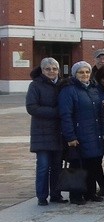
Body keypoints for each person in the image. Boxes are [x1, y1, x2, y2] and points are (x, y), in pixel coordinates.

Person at [58, 61, 104, 205]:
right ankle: (76, 195)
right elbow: (65, 114)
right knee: (77, 165)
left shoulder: (93, 89)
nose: (85, 75)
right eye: (81, 72)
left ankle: (90, 193)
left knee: (93, 164)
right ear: (75, 74)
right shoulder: (69, 90)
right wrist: (70, 136)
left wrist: (103, 131)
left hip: (94, 133)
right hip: (79, 134)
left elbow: (99, 112)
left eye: (87, 72)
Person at [26, 58, 67, 206]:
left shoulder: (63, 84)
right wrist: (56, 112)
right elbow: (31, 107)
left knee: (57, 166)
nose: (51, 71)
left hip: (58, 132)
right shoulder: (35, 85)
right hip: (41, 132)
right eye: (48, 69)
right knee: (43, 165)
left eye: (54, 68)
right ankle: (42, 196)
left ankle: (56, 194)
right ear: (42, 70)